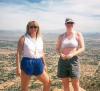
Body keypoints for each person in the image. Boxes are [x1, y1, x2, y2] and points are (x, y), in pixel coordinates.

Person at [16, 21, 50, 91]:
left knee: (48, 82)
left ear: (38, 28)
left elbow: (42, 53)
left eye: (35, 27)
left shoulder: (40, 39)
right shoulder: (23, 38)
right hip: (27, 63)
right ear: (28, 28)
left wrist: (44, 64)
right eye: (31, 27)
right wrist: (18, 68)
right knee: (24, 88)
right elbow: (18, 54)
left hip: (38, 62)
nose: (33, 28)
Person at [56, 18, 85, 91]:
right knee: (65, 84)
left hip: (73, 60)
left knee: (75, 84)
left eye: (71, 23)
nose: (70, 25)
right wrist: (61, 54)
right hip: (63, 60)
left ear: (73, 24)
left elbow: (82, 48)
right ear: (65, 24)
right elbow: (57, 49)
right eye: (68, 23)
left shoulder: (78, 34)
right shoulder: (61, 36)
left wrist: (72, 54)